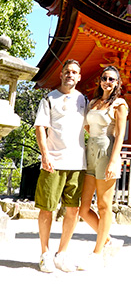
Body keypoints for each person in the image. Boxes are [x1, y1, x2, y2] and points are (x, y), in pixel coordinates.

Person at [34, 59, 87, 273]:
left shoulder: (83, 100)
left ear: (79, 77)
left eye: (74, 72)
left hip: (77, 163)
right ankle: (45, 253)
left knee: (73, 210)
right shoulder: (49, 99)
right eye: (67, 71)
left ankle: (61, 254)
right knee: (47, 208)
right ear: (61, 74)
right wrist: (45, 155)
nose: (70, 75)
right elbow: (40, 128)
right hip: (53, 162)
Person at [79, 65, 128, 269]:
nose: (107, 81)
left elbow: (120, 134)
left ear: (117, 83)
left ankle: (97, 253)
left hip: (106, 152)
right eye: (105, 78)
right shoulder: (93, 102)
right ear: (100, 81)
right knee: (83, 209)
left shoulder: (119, 105)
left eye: (112, 79)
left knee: (103, 205)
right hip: (90, 150)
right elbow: (88, 127)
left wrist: (114, 160)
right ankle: (109, 241)